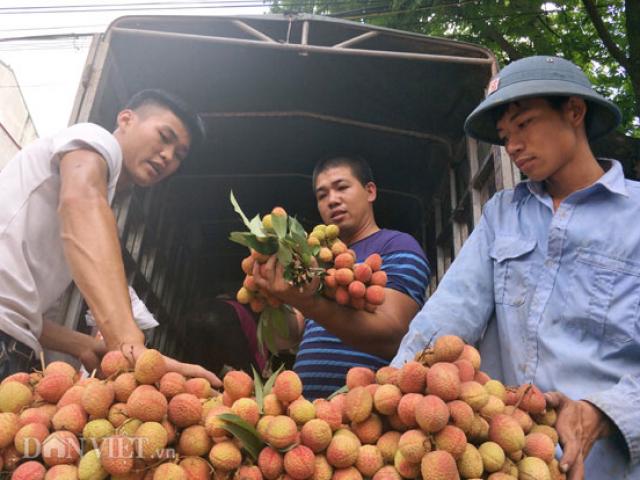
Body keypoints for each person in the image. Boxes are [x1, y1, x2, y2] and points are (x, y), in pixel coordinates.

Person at [392, 56, 638, 479]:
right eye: (506, 136)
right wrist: (395, 386)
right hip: (508, 461)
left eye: (524, 124)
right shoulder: (503, 213)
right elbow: (450, 313)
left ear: (574, 111)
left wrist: (603, 412)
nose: (513, 146)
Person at [0, 89, 221, 386]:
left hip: (13, 350)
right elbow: (81, 201)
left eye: (179, 155)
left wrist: (83, 344)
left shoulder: (100, 197)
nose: (168, 156)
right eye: (164, 137)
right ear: (126, 119)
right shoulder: (95, 139)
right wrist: (128, 342)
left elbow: (17, 308)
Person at [253, 155, 431, 399]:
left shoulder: (397, 245)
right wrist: (274, 295)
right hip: (307, 415)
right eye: (322, 195)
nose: (332, 200)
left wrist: (309, 302)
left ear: (370, 191)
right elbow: (284, 339)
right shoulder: (315, 259)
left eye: (342, 187)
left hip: (366, 414)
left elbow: (393, 334)